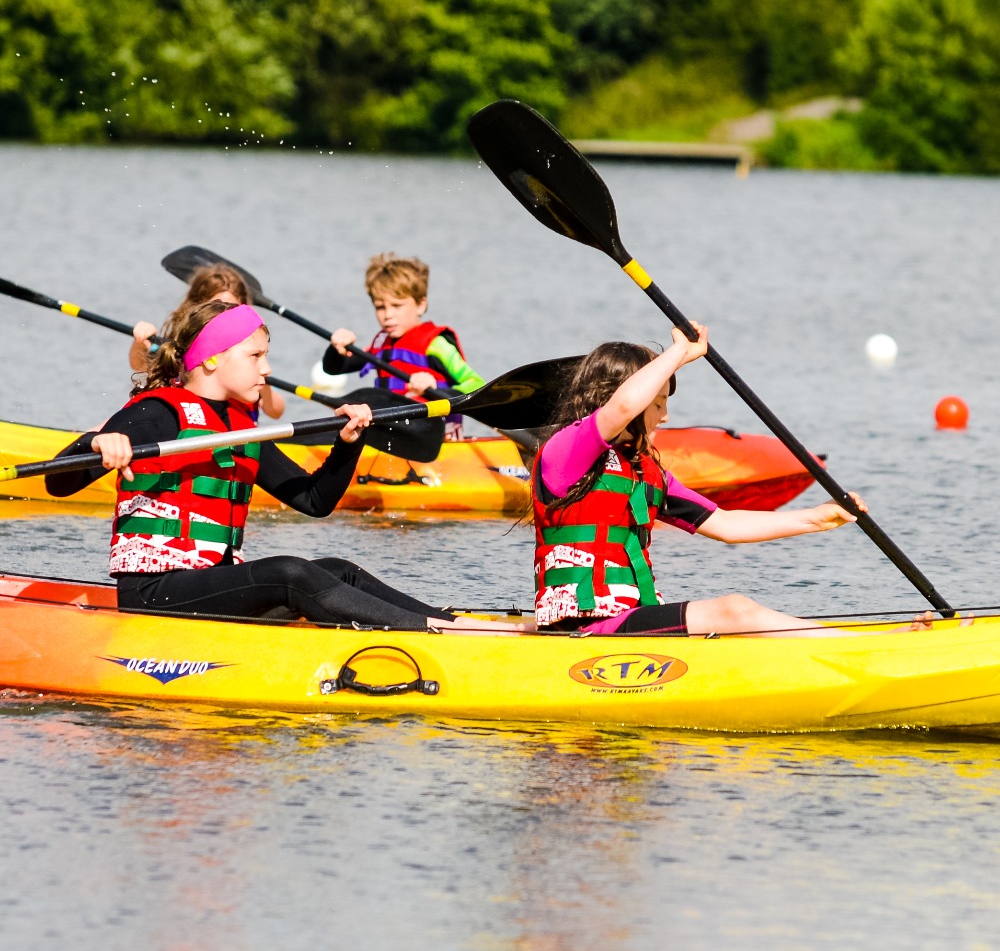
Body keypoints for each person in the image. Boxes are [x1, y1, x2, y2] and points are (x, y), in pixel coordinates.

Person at [47, 300, 526, 633]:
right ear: (211, 360)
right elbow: (57, 482)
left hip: (211, 586)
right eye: (255, 356)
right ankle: (435, 634)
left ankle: (455, 623)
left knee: (338, 569)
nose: (267, 369)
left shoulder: (239, 427)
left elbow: (314, 501)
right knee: (289, 572)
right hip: (154, 592)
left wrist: (348, 444)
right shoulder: (157, 412)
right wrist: (97, 441)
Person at [532, 324, 964, 637]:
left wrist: (817, 518)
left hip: (631, 623)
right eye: (658, 403)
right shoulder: (566, 454)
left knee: (739, 617)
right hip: (581, 627)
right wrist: (678, 353)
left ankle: (861, 644)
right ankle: (870, 649)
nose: (665, 415)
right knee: (734, 610)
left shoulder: (647, 473)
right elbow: (624, 407)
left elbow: (727, 524)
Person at [321, 252, 484, 439]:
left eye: (397, 306)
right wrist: (337, 348)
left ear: (421, 305)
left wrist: (436, 389)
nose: (388, 315)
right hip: (395, 436)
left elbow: (476, 386)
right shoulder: (381, 343)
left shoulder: (436, 345)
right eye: (380, 307)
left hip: (438, 438)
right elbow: (333, 369)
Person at [131, 262, 286, 420]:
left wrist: (261, 381)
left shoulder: (250, 358)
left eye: (231, 308)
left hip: (240, 428)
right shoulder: (178, 346)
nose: (223, 314)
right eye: (217, 307)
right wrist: (140, 341)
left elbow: (276, 411)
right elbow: (140, 365)